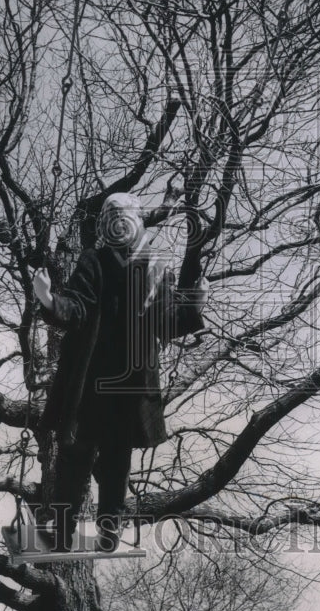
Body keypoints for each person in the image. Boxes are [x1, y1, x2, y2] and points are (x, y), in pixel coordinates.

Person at [33, 193, 208, 552]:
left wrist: (195, 306)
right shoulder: (93, 261)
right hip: (89, 380)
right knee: (74, 460)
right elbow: (77, 305)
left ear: (137, 221)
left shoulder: (156, 268)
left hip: (129, 384)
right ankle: (63, 534)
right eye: (112, 216)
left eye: (124, 215)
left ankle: (109, 531)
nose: (118, 222)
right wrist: (51, 302)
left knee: (115, 462)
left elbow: (167, 322)